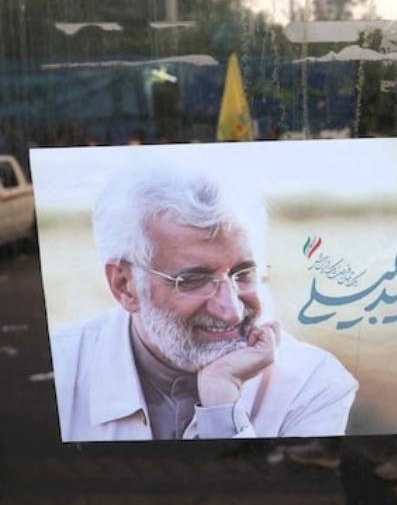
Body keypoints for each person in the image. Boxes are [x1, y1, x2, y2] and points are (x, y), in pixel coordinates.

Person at [51, 163, 358, 441]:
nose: (231, 310)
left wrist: (222, 405)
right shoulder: (61, 369)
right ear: (125, 286)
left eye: (244, 273)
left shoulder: (314, 385)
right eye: (193, 280)